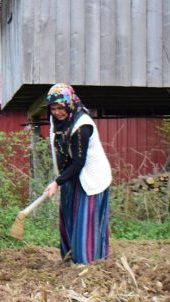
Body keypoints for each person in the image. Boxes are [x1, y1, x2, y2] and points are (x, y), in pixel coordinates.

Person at [44, 83, 112, 264]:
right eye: (53, 108)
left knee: (85, 221)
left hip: (91, 178)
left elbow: (79, 161)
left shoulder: (82, 125)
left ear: (70, 104)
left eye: (61, 107)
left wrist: (57, 182)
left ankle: (87, 264)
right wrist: (61, 178)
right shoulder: (58, 121)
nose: (57, 112)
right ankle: (69, 259)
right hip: (72, 175)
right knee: (69, 215)